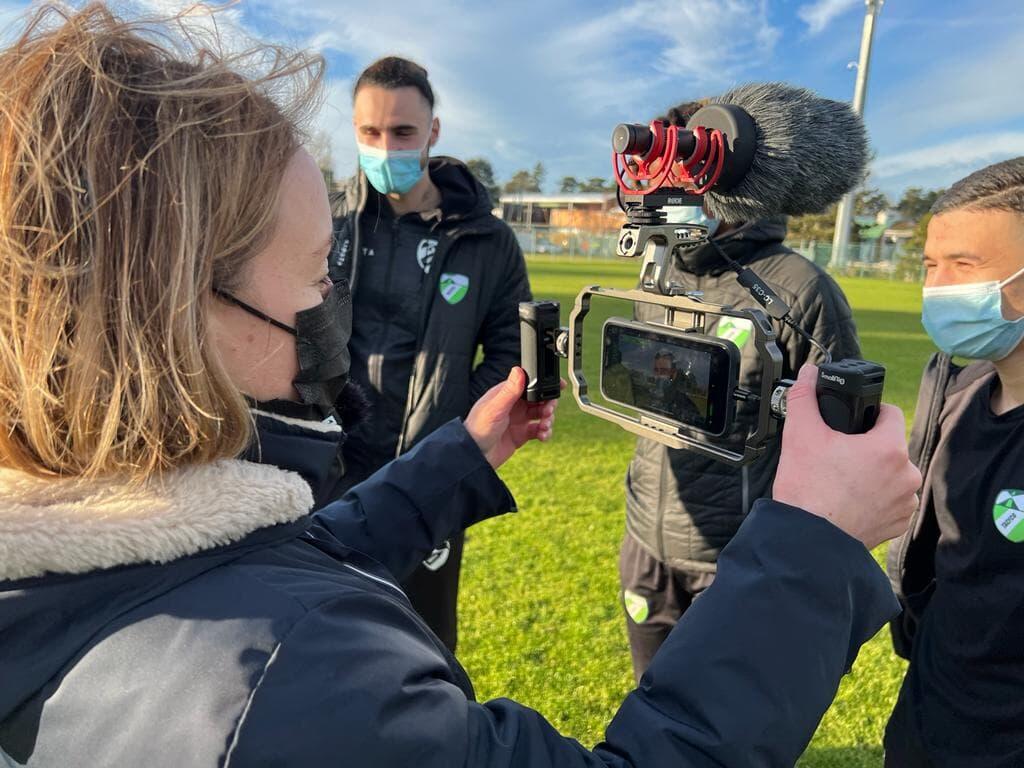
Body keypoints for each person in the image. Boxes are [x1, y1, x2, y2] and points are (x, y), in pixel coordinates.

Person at [0, 6, 921, 766]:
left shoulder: (104, 541)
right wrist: (813, 543)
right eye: (318, 269)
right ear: (178, 304)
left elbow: (272, 556)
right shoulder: (294, 676)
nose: (333, 302)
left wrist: (460, 457)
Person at [620, 101, 864, 679]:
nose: (669, 184)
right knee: (649, 699)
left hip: (735, 559)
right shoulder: (659, 269)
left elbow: (841, 447)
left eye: (683, 164)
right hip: (647, 541)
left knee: (722, 722)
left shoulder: (802, 289)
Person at [329, 56, 531, 651]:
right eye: (370, 132)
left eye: (402, 132)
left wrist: (451, 439)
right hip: (331, 468)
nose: (384, 146)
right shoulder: (329, 220)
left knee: (421, 641)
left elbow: (509, 353)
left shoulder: (486, 239)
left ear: (433, 132)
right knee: (327, 636)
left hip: (428, 475)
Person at [885, 157, 1024, 768]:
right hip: (927, 718)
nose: (939, 288)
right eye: (930, 267)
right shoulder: (957, 389)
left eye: (964, 267)